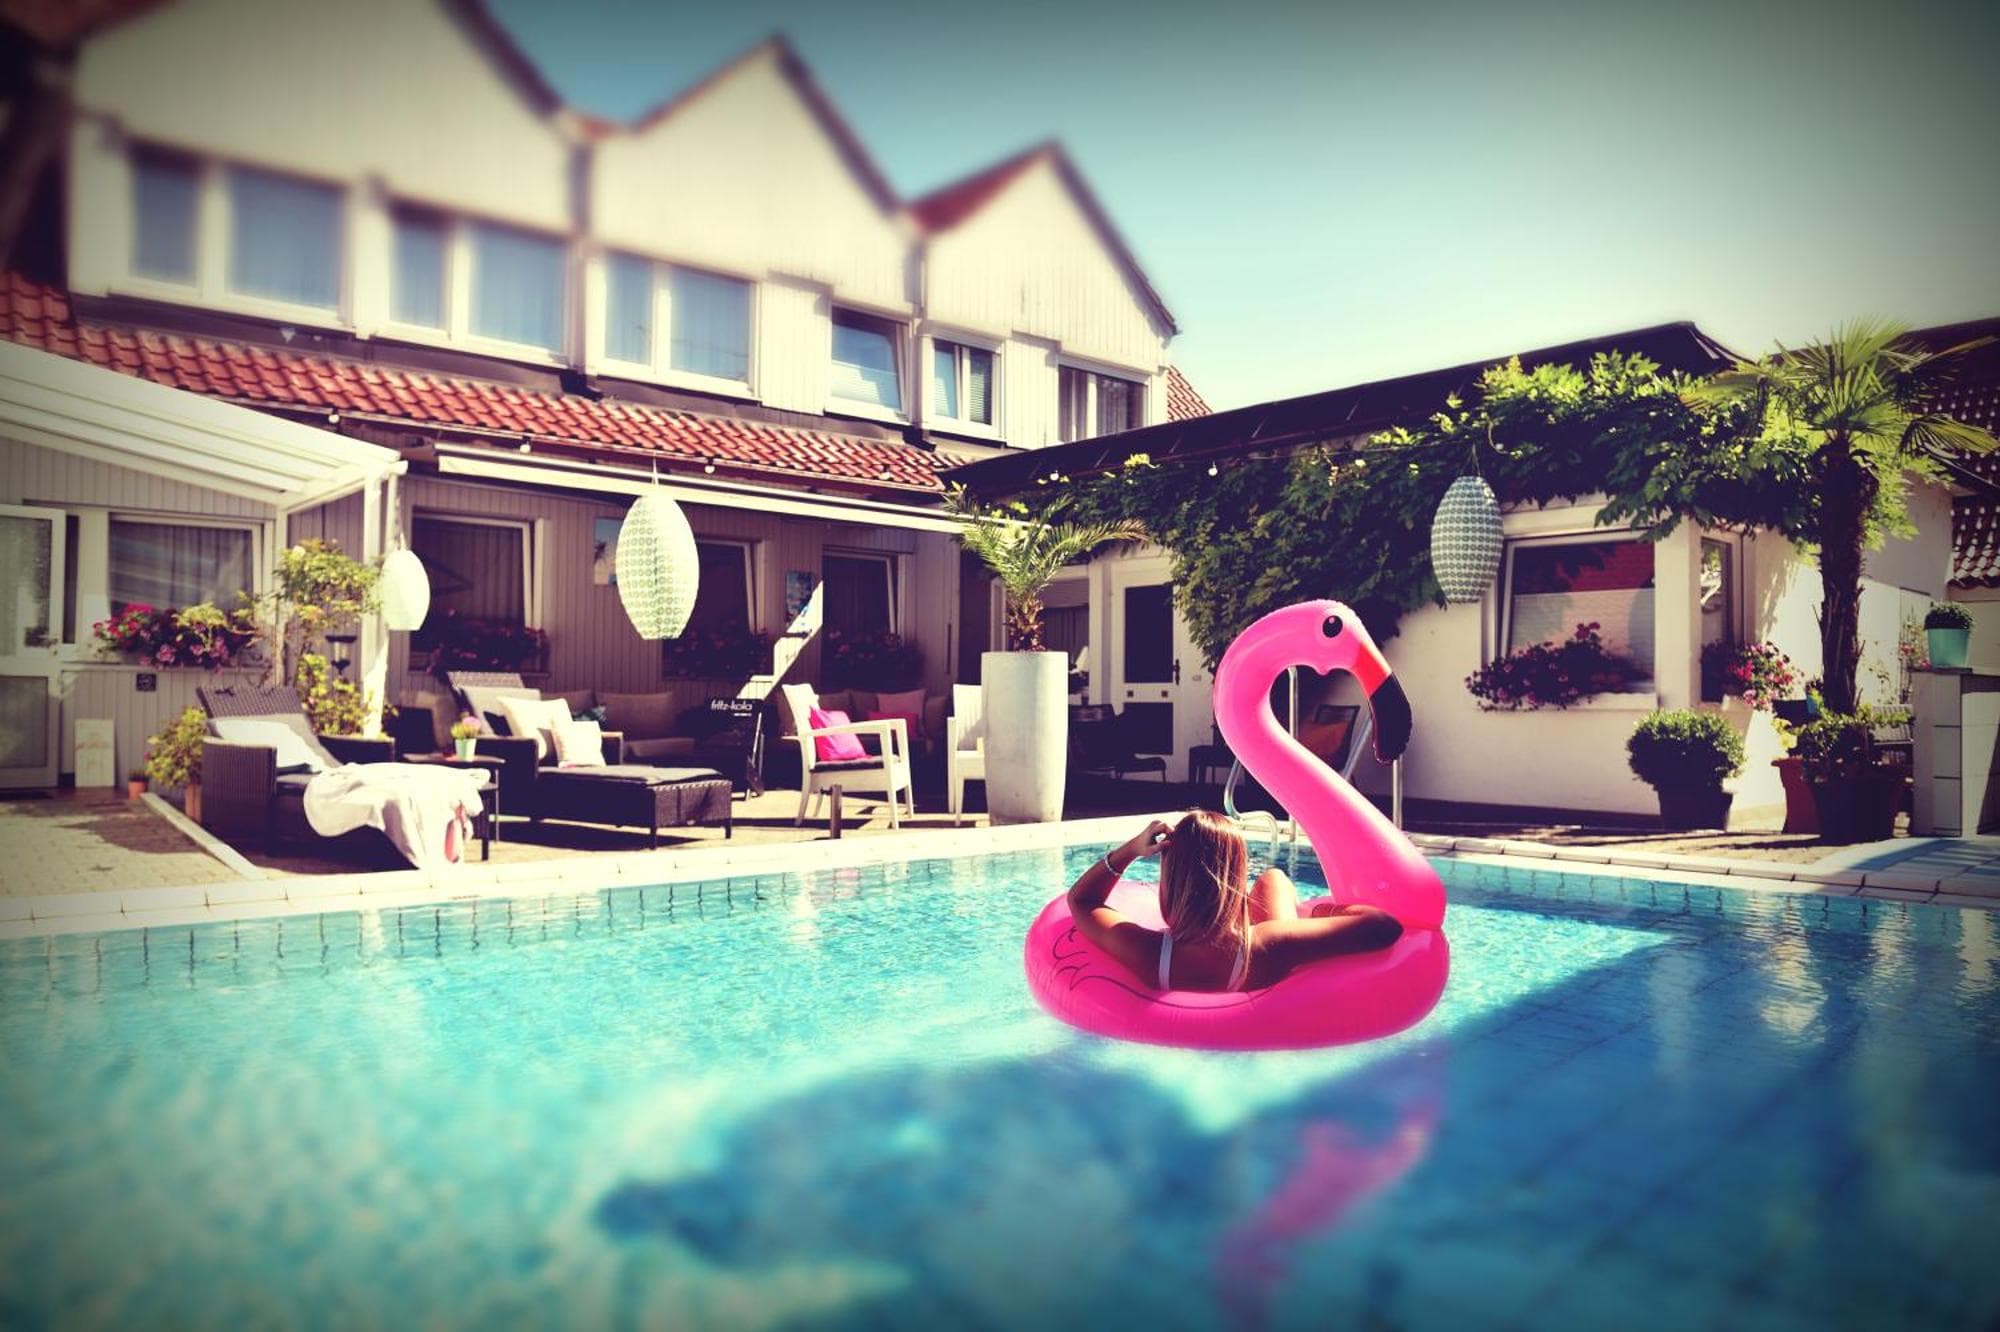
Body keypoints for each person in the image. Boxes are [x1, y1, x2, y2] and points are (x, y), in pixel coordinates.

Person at [1066, 809, 1403, 993]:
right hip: (1246, 959)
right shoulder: (1270, 945)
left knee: (1271, 881)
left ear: (1170, 881)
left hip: (1173, 963)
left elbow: (1082, 900)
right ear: (1235, 879)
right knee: (1274, 878)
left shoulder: (1146, 952)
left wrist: (1130, 850)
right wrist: (1322, 910)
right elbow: (1385, 927)